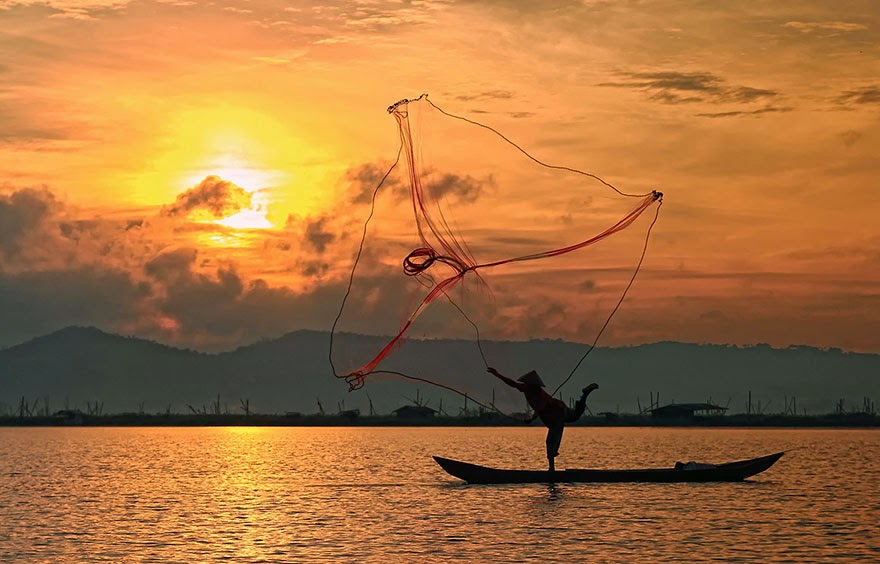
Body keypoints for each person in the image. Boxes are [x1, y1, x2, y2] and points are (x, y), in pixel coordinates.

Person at [488, 367, 598, 471]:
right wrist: (497, 374)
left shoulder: (532, 391)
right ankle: (585, 395)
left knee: (551, 442)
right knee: (575, 416)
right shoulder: (535, 391)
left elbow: (537, 407)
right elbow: (515, 386)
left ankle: (551, 470)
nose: (523, 385)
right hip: (560, 409)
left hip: (557, 416)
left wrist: (497, 374)